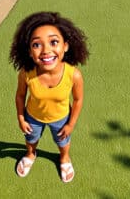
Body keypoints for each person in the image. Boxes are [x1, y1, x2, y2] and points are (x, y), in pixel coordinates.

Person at [9, 11, 89, 183]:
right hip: (33, 117)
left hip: (60, 118)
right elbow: (20, 95)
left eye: (54, 42)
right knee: (31, 139)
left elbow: (78, 100)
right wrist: (21, 118)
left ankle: (64, 158)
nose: (46, 50)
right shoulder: (26, 73)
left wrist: (70, 124)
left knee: (63, 142)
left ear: (66, 46)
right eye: (36, 45)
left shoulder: (73, 75)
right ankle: (31, 154)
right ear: (29, 51)